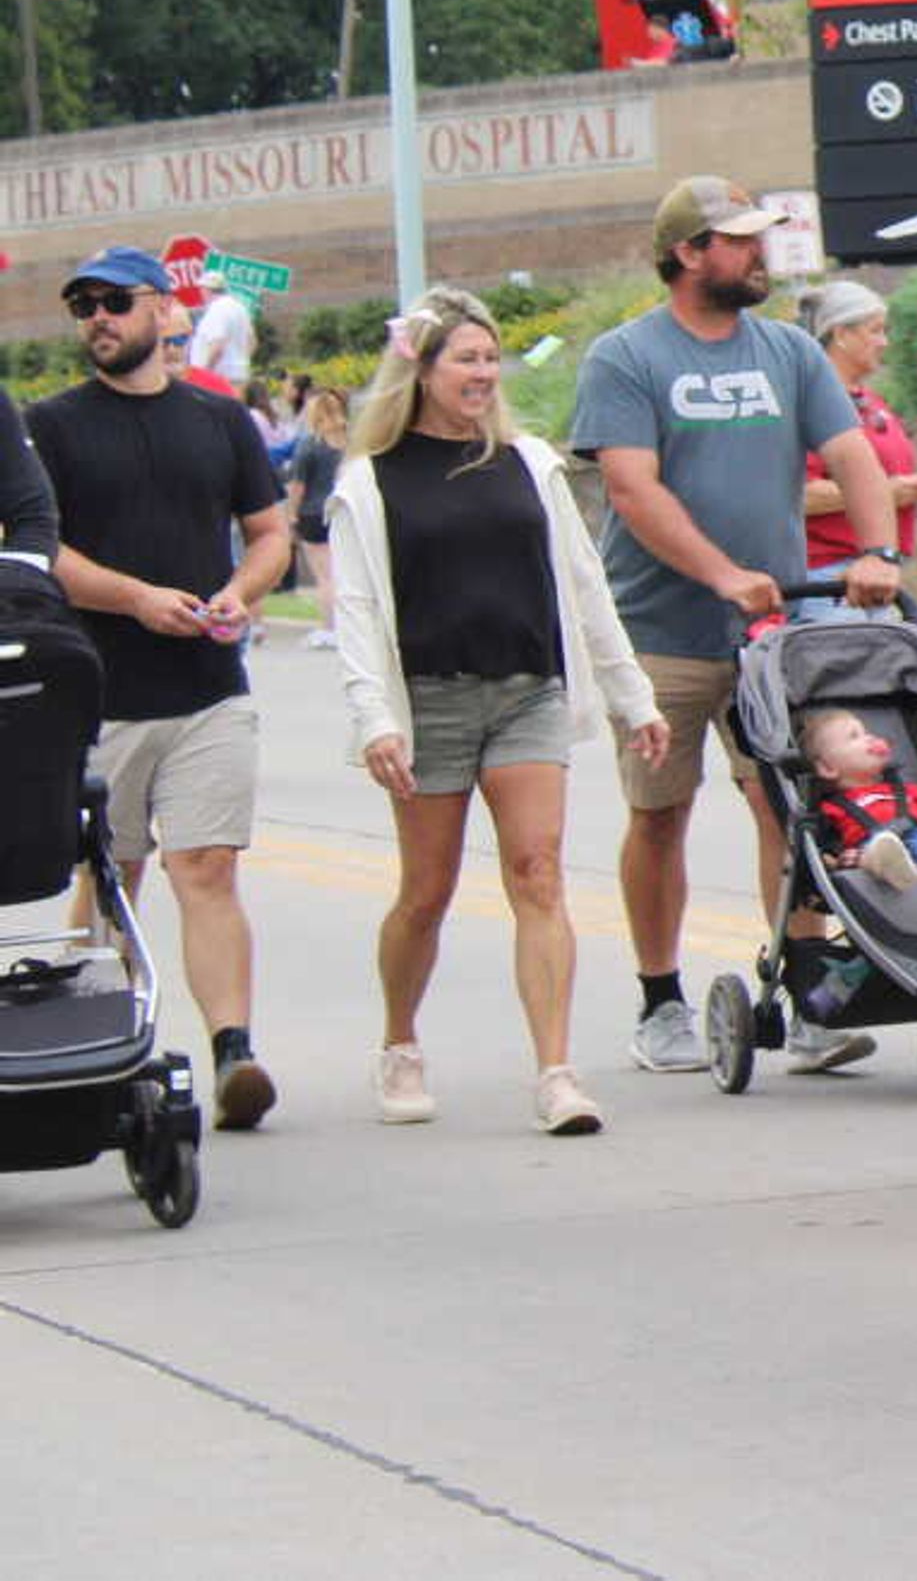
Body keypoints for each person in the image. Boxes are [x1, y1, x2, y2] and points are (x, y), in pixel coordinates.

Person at [570, 176, 904, 1077]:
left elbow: (850, 455)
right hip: (663, 630)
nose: (760, 254)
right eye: (741, 240)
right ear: (688, 253)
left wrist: (879, 549)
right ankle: (659, 998)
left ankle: (799, 995)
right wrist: (722, 575)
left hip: (777, 634)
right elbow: (633, 489)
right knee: (660, 815)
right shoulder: (626, 356)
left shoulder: (787, 352)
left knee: (790, 807)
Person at [328, 288, 670, 1136]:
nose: (483, 373)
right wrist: (376, 719)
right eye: (465, 360)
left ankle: (556, 1071)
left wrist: (633, 697)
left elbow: (585, 585)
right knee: (427, 891)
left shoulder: (531, 462)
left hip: (528, 691)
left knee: (539, 870)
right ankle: (400, 1041)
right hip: (430, 701)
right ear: (422, 370)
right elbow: (359, 614)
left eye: (489, 359)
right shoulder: (372, 482)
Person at [30, 243, 291, 1127]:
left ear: (162, 310)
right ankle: (97, 1051)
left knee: (207, 866)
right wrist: (136, 598)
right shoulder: (52, 426)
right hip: (100, 692)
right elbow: (43, 553)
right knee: (114, 874)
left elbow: (269, 533)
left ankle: (234, 1054)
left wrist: (239, 593)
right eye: (81, 305)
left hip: (210, 685)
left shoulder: (217, 422)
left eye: (112, 300)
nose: (96, 317)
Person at [796, 283, 917, 571]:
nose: (884, 342)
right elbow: (798, 494)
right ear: (841, 334)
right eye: (875, 330)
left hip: (876, 568)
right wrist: (887, 493)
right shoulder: (808, 403)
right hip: (833, 573)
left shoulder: (870, 400)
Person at [800, 706, 917, 892]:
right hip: (866, 853)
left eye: (867, 733)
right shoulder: (830, 807)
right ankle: (890, 865)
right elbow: (823, 850)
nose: (870, 738)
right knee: (877, 850)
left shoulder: (910, 791)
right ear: (828, 768)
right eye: (854, 736)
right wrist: (835, 860)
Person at [292, 386, 350, 652]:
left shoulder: (310, 444)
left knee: (324, 575)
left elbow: (298, 485)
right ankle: (344, 626)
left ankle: (328, 628)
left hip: (312, 513)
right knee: (342, 572)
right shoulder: (348, 442)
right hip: (341, 511)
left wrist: (290, 513)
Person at [186, 278, 257, 392]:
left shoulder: (217, 309)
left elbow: (218, 346)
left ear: (207, 291)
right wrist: (242, 362)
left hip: (218, 376)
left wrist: (203, 375)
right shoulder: (240, 307)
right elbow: (252, 341)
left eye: (201, 290)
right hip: (238, 375)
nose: (200, 293)